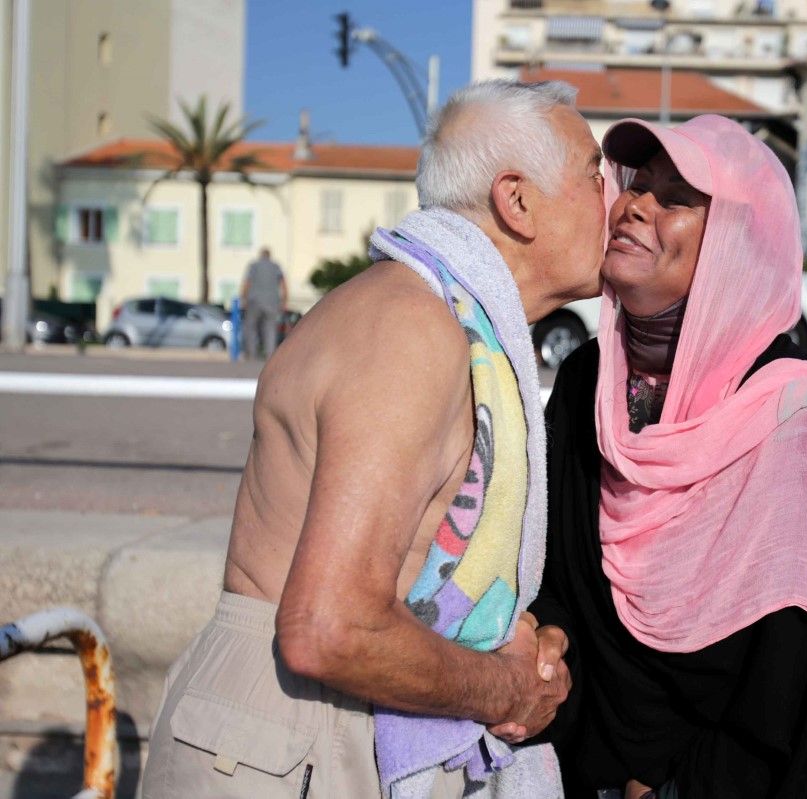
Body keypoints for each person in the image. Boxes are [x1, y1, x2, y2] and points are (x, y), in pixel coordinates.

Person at [142, 79, 606, 798]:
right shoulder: (412, 327)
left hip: (309, 728)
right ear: (517, 201)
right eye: (594, 173)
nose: (615, 199)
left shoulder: (430, 317)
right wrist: (506, 689)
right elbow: (330, 626)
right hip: (295, 739)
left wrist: (502, 637)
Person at [528, 115, 807, 798]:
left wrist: (663, 789)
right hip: (578, 768)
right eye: (637, 185)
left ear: (736, 243)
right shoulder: (585, 384)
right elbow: (550, 571)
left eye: (675, 197)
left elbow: (791, 678)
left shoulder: (796, 421)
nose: (632, 205)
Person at [240, 246, 287, 360]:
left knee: (251, 327)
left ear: (261, 255)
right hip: (272, 302)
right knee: (270, 328)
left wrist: (244, 298)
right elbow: (283, 284)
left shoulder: (254, 266)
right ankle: (270, 355)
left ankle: (252, 354)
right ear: (269, 255)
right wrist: (284, 301)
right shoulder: (275, 266)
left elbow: (247, 283)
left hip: (254, 301)